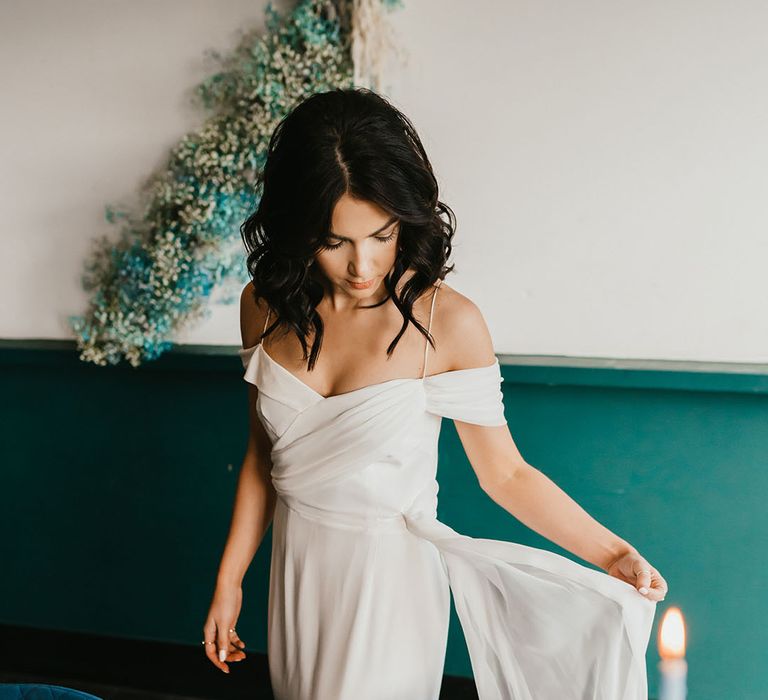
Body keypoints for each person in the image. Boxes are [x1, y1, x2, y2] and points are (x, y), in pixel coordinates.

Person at [203, 87, 668, 700]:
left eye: (382, 234)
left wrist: (612, 554)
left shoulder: (448, 323)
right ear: (298, 229)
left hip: (391, 585)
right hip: (299, 574)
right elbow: (263, 457)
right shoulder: (262, 306)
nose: (363, 265)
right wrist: (230, 579)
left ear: (408, 218)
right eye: (334, 241)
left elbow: (505, 475)